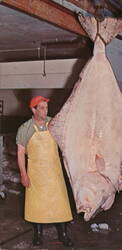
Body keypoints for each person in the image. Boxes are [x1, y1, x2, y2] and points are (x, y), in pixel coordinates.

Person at [16, 96, 73, 247]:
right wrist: (23, 174)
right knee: (37, 207)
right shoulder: (25, 128)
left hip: (54, 172)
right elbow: (20, 153)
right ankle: (38, 235)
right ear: (33, 109)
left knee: (60, 206)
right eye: (41, 108)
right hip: (36, 174)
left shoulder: (54, 124)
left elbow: (66, 143)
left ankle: (64, 235)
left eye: (46, 107)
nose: (45, 111)